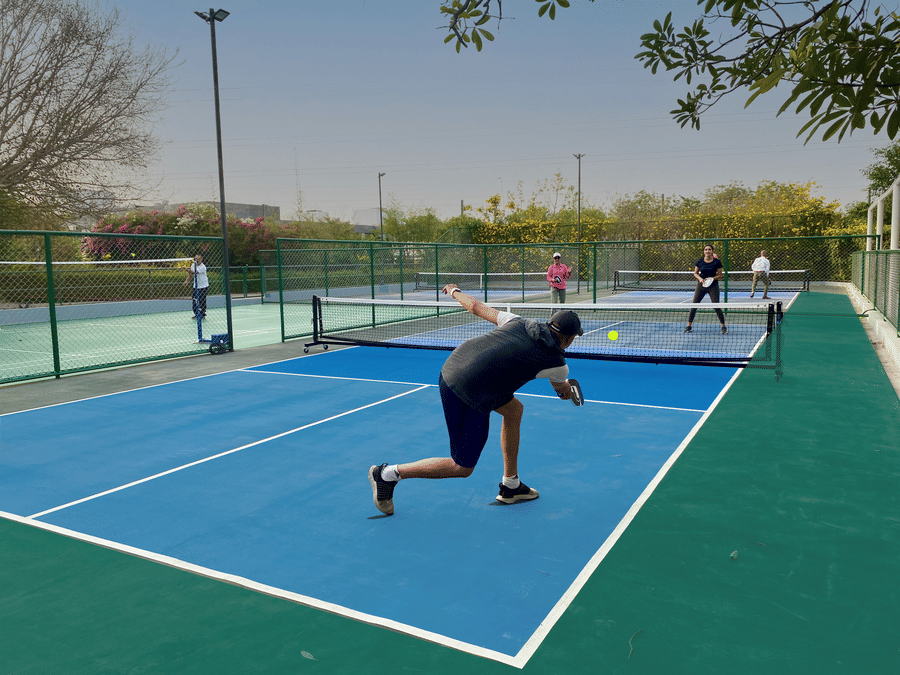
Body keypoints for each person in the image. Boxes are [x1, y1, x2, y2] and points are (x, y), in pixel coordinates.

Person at [368, 283, 584, 516]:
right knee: (462, 467)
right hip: (466, 390)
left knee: (514, 410)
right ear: (568, 339)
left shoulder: (517, 321)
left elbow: (475, 307)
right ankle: (387, 474)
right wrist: (565, 392)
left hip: (454, 365)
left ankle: (511, 485)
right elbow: (561, 387)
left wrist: (454, 292)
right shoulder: (557, 365)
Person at [684, 244, 727, 334]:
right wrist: (700, 279)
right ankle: (689, 326)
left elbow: (720, 275)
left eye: (709, 249)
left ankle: (723, 327)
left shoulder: (717, 262)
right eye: (706, 249)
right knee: (694, 305)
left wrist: (712, 279)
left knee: (716, 306)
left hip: (713, 286)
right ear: (704, 251)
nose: (707, 251)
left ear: (712, 251)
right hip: (701, 285)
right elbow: (695, 273)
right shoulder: (700, 261)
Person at [183, 254, 209, 319]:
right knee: (194, 300)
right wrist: (186, 281)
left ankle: (202, 314)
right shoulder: (193, 265)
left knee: (202, 300)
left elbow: (195, 272)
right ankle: (196, 314)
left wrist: (187, 270)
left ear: (201, 260)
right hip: (196, 286)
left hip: (203, 286)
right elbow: (190, 274)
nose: (197, 260)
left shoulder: (203, 267)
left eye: (198, 259)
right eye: (196, 259)